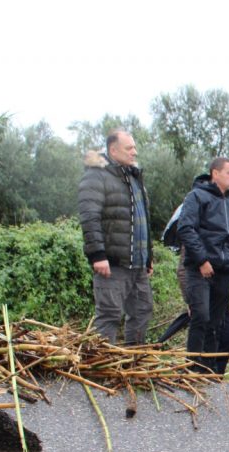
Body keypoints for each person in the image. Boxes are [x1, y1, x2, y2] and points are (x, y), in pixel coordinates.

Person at [78, 129, 153, 345]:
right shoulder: (96, 176)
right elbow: (89, 217)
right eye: (129, 148)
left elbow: (143, 219)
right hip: (112, 263)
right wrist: (97, 255)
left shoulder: (133, 177)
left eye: (134, 147)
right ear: (113, 150)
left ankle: (134, 360)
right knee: (109, 315)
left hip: (137, 263)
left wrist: (148, 257)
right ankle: (102, 363)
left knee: (142, 311)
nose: (134, 152)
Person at [176, 157, 229, 372]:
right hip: (199, 269)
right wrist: (202, 260)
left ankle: (208, 371)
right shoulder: (196, 196)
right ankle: (192, 367)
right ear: (215, 173)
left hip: (224, 270)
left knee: (216, 322)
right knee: (201, 316)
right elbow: (186, 228)